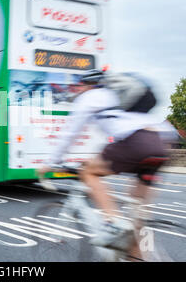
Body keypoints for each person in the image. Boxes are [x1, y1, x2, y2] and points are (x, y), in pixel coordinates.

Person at [37, 69, 168, 253]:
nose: (77, 89)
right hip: (159, 144)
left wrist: (50, 163)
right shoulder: (117, 97)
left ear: (86, 85)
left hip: (135, 142)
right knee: (136, 218)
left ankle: (113, 222)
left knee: (89, 172)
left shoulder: (90, 97)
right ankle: (136, 253)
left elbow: (69, 134)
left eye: (78, 85)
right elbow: (108, 132)